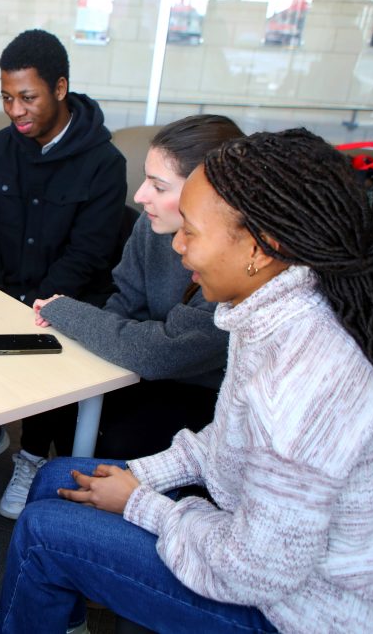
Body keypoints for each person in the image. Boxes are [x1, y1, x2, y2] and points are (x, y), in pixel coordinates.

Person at [0, 128, 373, 634]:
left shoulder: (306, 375)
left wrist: (140, 502)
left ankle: (39, 597)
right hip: (251, 535)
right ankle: (50, 614)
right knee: (58, 478)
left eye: (192, 233)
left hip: (292, 612)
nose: (178, 245)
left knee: (46, 532)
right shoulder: (267, 307)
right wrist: (148, 475)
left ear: (259, 248)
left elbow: (255, 571)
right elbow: (227, 441)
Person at [0, 29, 127, 520]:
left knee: (46, 360)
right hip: (0, 288)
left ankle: (31, 455)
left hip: (64, 299)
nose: (15, 110)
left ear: (60, 89)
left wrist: (33, 305)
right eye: (6, 97)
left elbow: (89, 254)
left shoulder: (104, 163)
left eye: (27, 97)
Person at [32, 115, 244, 460]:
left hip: (206, 393)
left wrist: (72, 313)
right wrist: (123, 338)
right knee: (61, 404)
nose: (140, 196)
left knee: (120, 443)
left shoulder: (239, 265)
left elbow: (166, 353)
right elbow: (125, 305)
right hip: (143, 372)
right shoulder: (150, 226)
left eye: (159, 187)